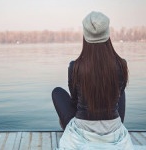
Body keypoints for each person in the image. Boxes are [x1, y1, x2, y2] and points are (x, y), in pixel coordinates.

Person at [52, 11, 134, 150]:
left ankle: (70, 129)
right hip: (113, 129)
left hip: (84, 131)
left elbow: (75, 100)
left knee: (57, 92)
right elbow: (119, 92)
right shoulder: (121, 64)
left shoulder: (75, 67)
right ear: (107, 33)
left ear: (85, 35)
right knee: (120, 92)